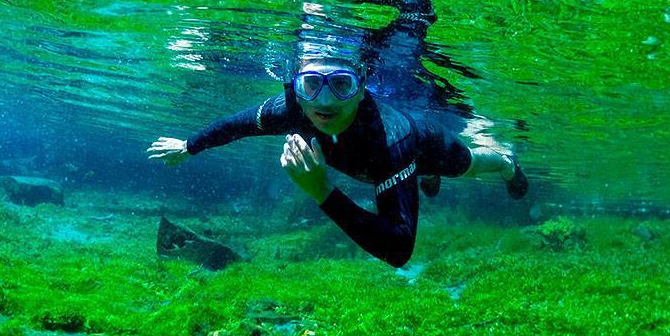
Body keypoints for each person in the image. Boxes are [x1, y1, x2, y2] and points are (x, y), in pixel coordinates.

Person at [148, 53, 529, 268]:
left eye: (342, 84)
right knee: (419, 182)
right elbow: (239, 125)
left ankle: (505, 161)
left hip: (427, 147)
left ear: (362, 89)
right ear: (297, 85)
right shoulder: (292, 109)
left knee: (469, 165)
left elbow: (399, 250)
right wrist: (189, 145)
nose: (326, 102)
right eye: (312, 84)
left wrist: (321, 191)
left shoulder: (391, 139)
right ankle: (425, 179)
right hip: (394, 169)